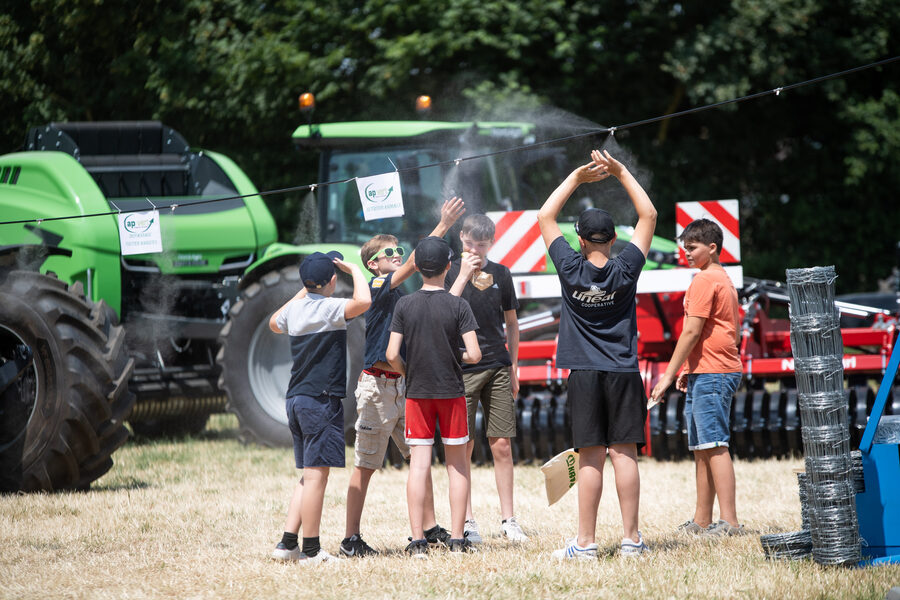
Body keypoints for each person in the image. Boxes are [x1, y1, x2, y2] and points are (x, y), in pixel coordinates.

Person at [537, 149, 657, 560]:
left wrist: (574, 178)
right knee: (624, 453)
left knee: (590, 457)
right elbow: (649, 216)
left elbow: (544, 217)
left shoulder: (570, 268)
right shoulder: (626, 269)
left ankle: (585, 544)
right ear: (614, 239)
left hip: (584, 373)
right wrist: (622, 171)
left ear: (582, 239)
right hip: (623, 370)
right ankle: (631, 540)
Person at [341, 198, 466, 557]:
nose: (398, 253)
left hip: (404, 387)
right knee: (366, 465)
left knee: (419, 459)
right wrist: (441, 225)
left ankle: (427, 527)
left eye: (398, 249)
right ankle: (351, 538)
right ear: (373, 264)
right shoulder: (379, 285)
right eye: (390, 251)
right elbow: (416, 262)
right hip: (378, 388)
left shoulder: (400, 292)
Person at [269, 250, 371, 564]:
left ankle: (287, 544)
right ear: (330, 281)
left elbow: (274, 322)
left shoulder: (295, 310)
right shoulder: (330, 308)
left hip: (296, 399)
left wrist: (306, 289)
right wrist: (354, 269)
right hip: (320, 401)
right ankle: (311, 550)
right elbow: (364, 301)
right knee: (317, 477)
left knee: (308, 475)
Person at [386, 236, 482, 557]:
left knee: (419, 467)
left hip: (418, 394)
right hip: (451, 393)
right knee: (457, 467)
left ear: (416, 267)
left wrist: (406, 370)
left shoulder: (404, 304)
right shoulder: (459, 305)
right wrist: (454, 357)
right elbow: (475, 354)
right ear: (449, 267)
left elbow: (391, 353)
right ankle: (457, 540)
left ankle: (417, 542)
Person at [649, 218, 744, 536]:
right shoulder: (724, 279)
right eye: (684, 247)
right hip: (710, 370)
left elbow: (691, 331)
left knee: (715, 445)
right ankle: (702, 521)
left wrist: (667, 375)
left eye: (692, 248)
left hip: (714, 372)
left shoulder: (704, 281)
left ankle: (729, 522)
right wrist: (691, 369)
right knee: (703, 447)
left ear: (712, 247)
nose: (686, 253)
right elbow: (734, 330)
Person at [446, 214, 527, 543]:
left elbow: (512, 323)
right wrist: (464, 274)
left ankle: (509, 519)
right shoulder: (450, 271)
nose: (474, 250)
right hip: (462, 367)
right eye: (469, 243)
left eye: (481, 245)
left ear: (491, 244)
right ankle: (466, 521)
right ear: (461, 238)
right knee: (462, 445)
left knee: (502, 444)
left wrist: (514, 367)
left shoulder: (502, 274)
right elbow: (444, 308)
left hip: (497, 364)